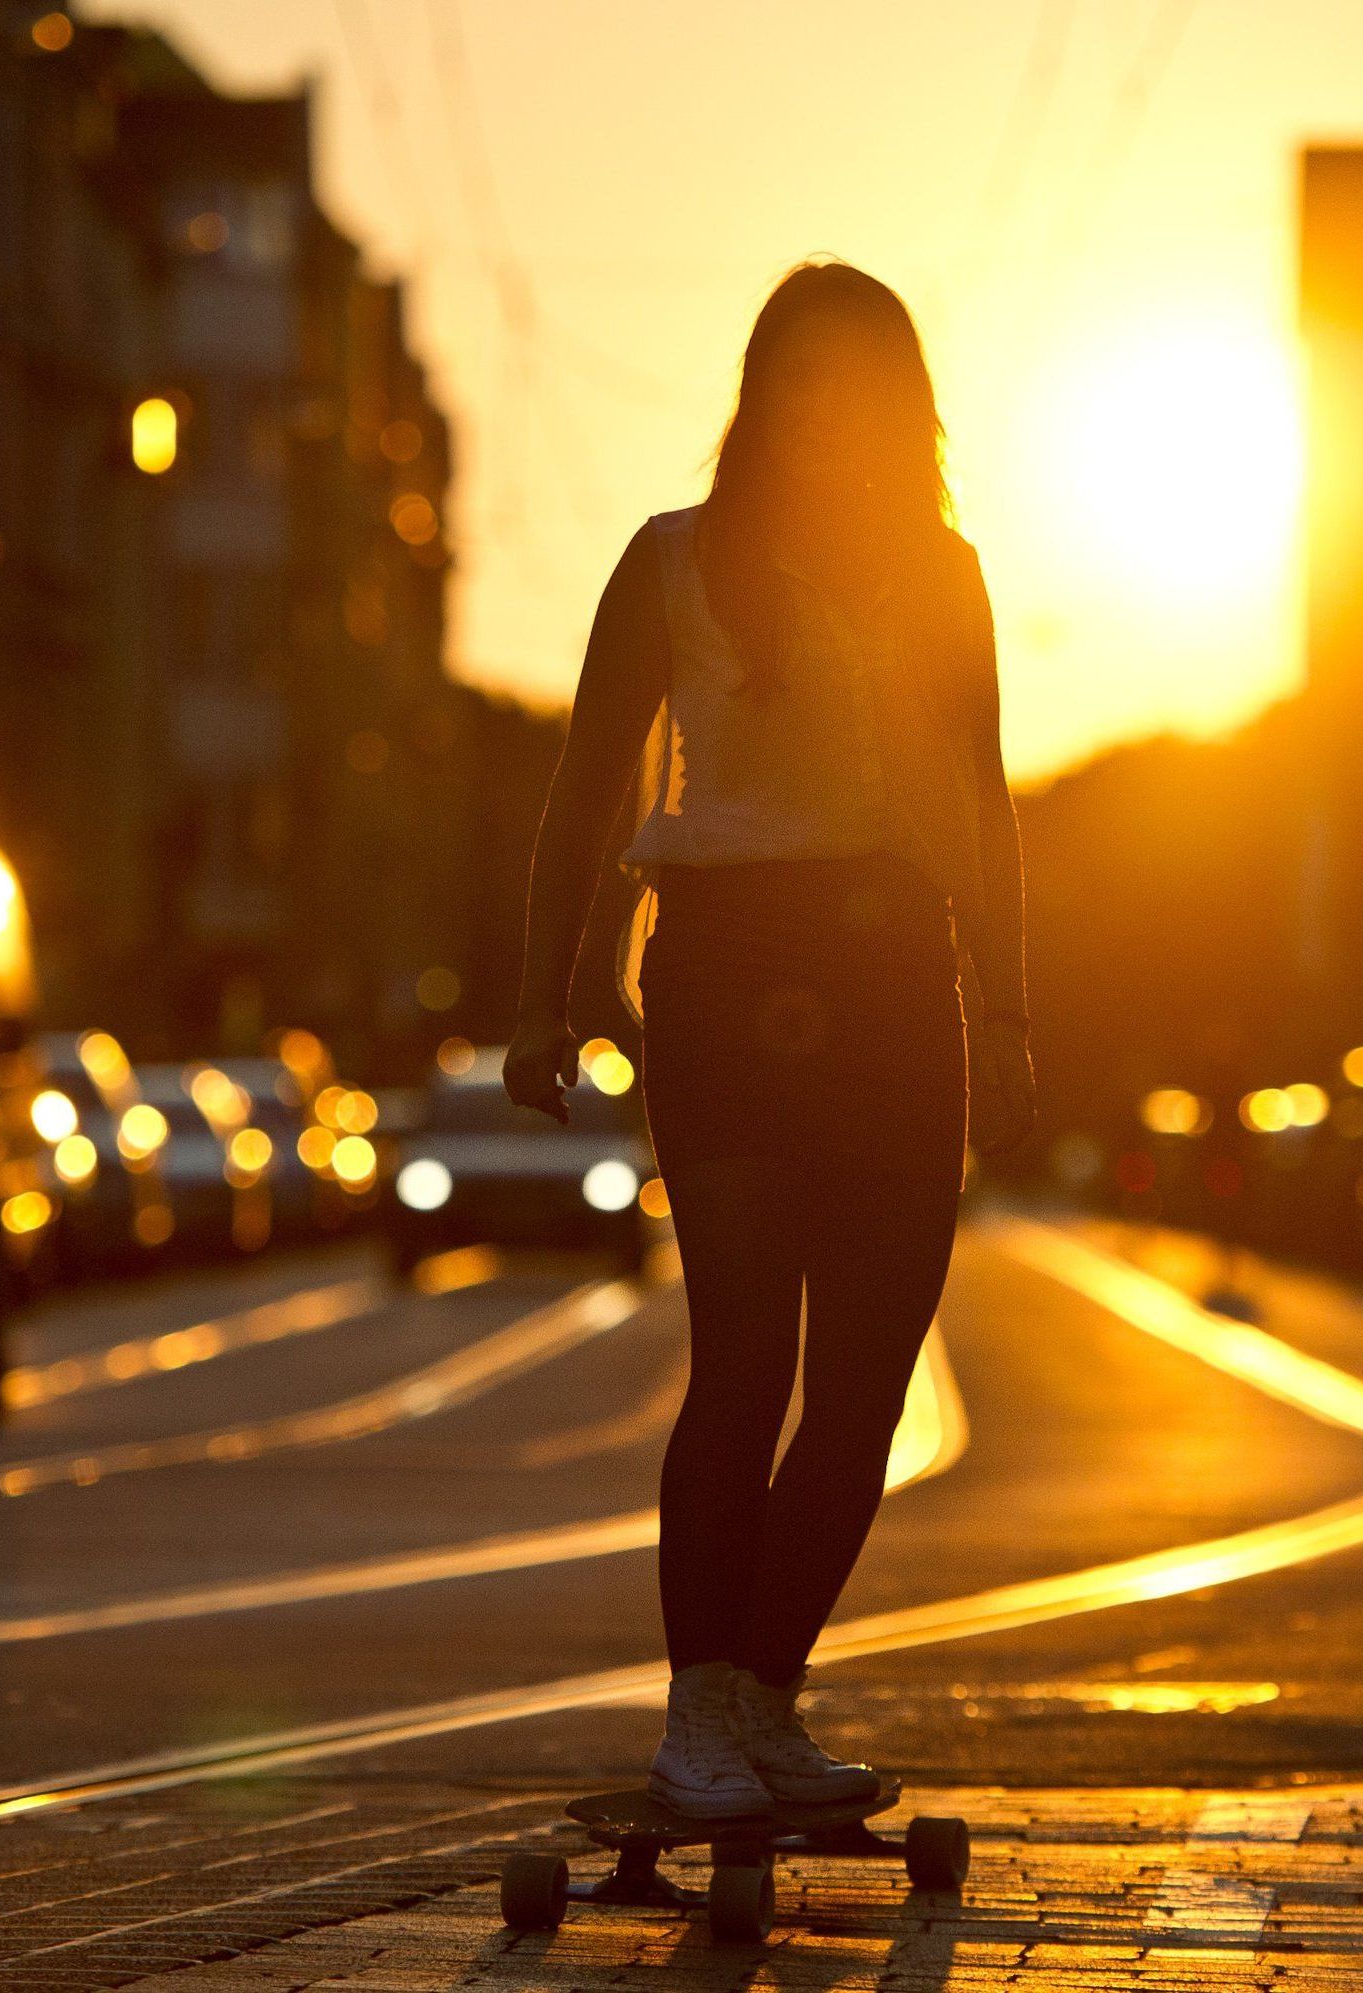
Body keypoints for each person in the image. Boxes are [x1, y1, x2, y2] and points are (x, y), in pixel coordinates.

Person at [505, 259, 1035, 1818]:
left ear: (902, 407)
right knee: (746, 1357)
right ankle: (695, 1718)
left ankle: (760, 1699)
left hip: (896, 980)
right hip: (729, 973)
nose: (825, 406)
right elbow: (582, 794)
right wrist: (546, 990)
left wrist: (1006, 1012)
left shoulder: (943, 572)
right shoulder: (669, 564)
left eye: (858, 379)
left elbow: (987, 808)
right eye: (797, 375)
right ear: (757, 394)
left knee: (869, 1379)